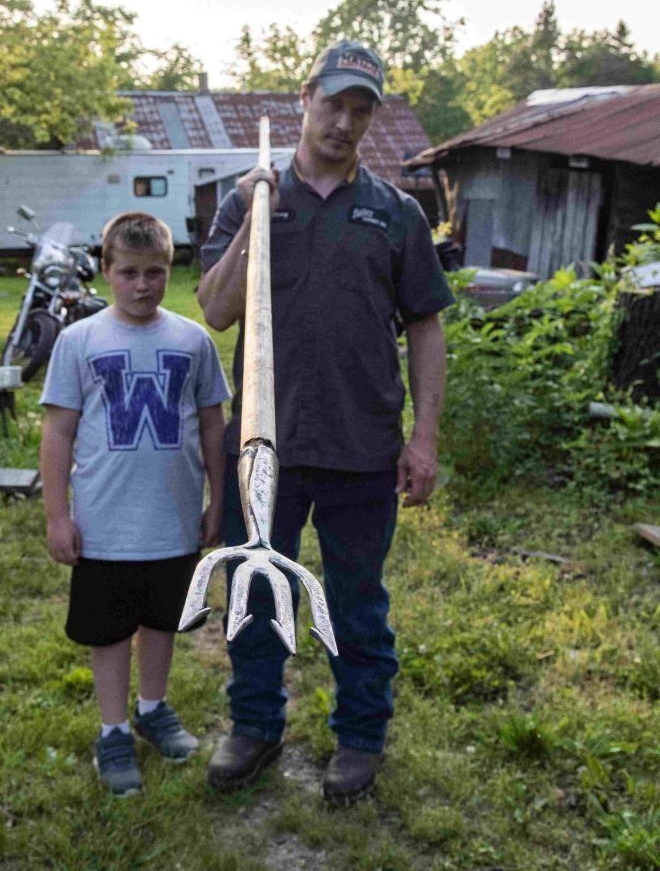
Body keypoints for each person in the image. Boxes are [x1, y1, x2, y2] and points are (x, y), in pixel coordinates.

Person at [197, 40, 455, 805]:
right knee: (256, 590)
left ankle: (360, 737)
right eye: (333, 102)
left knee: (355, 600)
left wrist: (424, 438)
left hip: (360, 443)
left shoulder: (393, 211)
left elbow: (427, 328)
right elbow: (213, 310)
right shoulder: (250, 199)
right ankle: (254, 726)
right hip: (263, 443)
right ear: (304, 98)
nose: (344, 121)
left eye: (360, 108)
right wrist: (257, 217)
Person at [39, 211, 230, 798]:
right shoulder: (80, 341)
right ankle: (114, 729)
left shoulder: (192, 340)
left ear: (171, 272)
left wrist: (218, 500)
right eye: (128, 273)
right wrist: (57, 515)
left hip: (172, 522)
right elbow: (58, 433)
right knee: (110, 630)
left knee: (162, 621)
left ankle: (152, 709)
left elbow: (212, 425)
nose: (142, 285)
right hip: (103, 524)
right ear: (106, 271)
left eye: (155, 272)